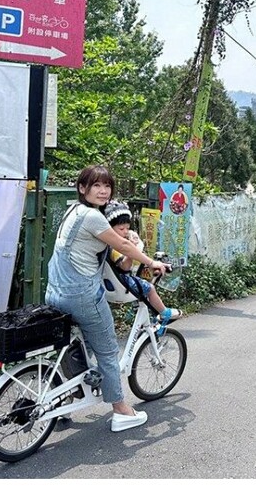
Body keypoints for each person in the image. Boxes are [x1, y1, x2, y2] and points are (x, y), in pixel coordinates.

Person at [46, 165, 167, 433]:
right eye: (96, 186)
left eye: (107, 186)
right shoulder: (92, 217)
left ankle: (67, 391)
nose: (103, 191)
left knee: (75, 344)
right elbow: (122, 246)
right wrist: (151, 261)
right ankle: (121, 410)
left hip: (55, 292)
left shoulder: (73, 211)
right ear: (82, 188)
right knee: (108, 350)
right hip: (82, 295)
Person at [103, 200, 183, 324]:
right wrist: (131, 252)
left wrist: (152, 262)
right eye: (121, 228)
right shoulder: (115, 246)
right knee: (149, 288)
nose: (125, 231)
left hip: (113, 283)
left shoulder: (112, 243)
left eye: (127, 228)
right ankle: (164, 312)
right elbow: (124, 266)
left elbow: (140, 258)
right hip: (122, 283)